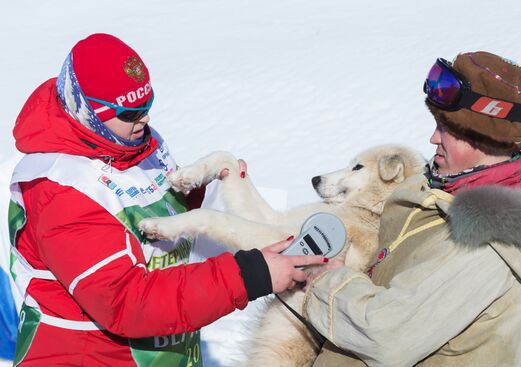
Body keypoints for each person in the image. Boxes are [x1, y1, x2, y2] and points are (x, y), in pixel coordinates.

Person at [7, 33, 325, 366]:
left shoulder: (132, 141)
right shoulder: (59, 189)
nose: (143, 119)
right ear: (88, 113)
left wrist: (209, 188)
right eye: (129, 113)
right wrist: (249, 275)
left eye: (146, 106)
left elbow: (156, 210)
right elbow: (126, 302)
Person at [303, 51, 521, 366]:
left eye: (447, 128)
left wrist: (328, 281)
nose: (433, 138)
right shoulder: (441, 192)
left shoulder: (487, 248)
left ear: (484, 138)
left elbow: (386, 335)